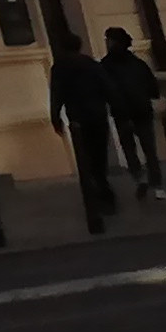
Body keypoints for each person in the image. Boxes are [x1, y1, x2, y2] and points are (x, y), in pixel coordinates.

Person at [47, 37, 119, 223]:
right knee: (99, 155)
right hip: (97, 114)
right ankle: (104, 191)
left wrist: (56, 118)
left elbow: (56, 94)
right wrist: (116, 108)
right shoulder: (92, 65)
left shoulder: (60, 68)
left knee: (85, 157)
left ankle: (96, 194)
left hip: (78, 117)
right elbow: (108, 87)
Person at [96, 28, 166, 198]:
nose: (107, 42)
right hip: (141, 109)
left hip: (122, 113)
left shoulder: (105, 65)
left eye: (109, 39)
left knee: (130, 149)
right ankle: (156, 184)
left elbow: (103, 89)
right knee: (149, 149)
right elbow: (152, 87)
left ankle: (139, 177)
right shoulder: (137, 63)